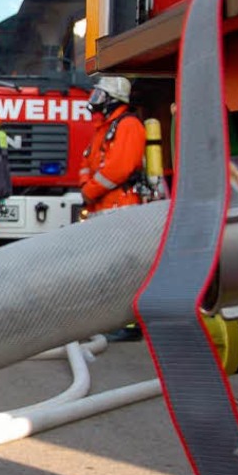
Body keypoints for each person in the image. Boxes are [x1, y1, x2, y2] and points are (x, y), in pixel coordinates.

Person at [78, 75, 146, 341]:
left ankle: (128, 324)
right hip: (103, 207)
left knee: (123, 268)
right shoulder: (103, 129)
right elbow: (87, 162)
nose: (93, 102)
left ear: (111, 99)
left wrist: (90, 190)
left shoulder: (127, 126)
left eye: (98, 96)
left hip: (122, 206)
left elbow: (118, 168)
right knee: (107, 268)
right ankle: (110, 320)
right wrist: (86, 187)